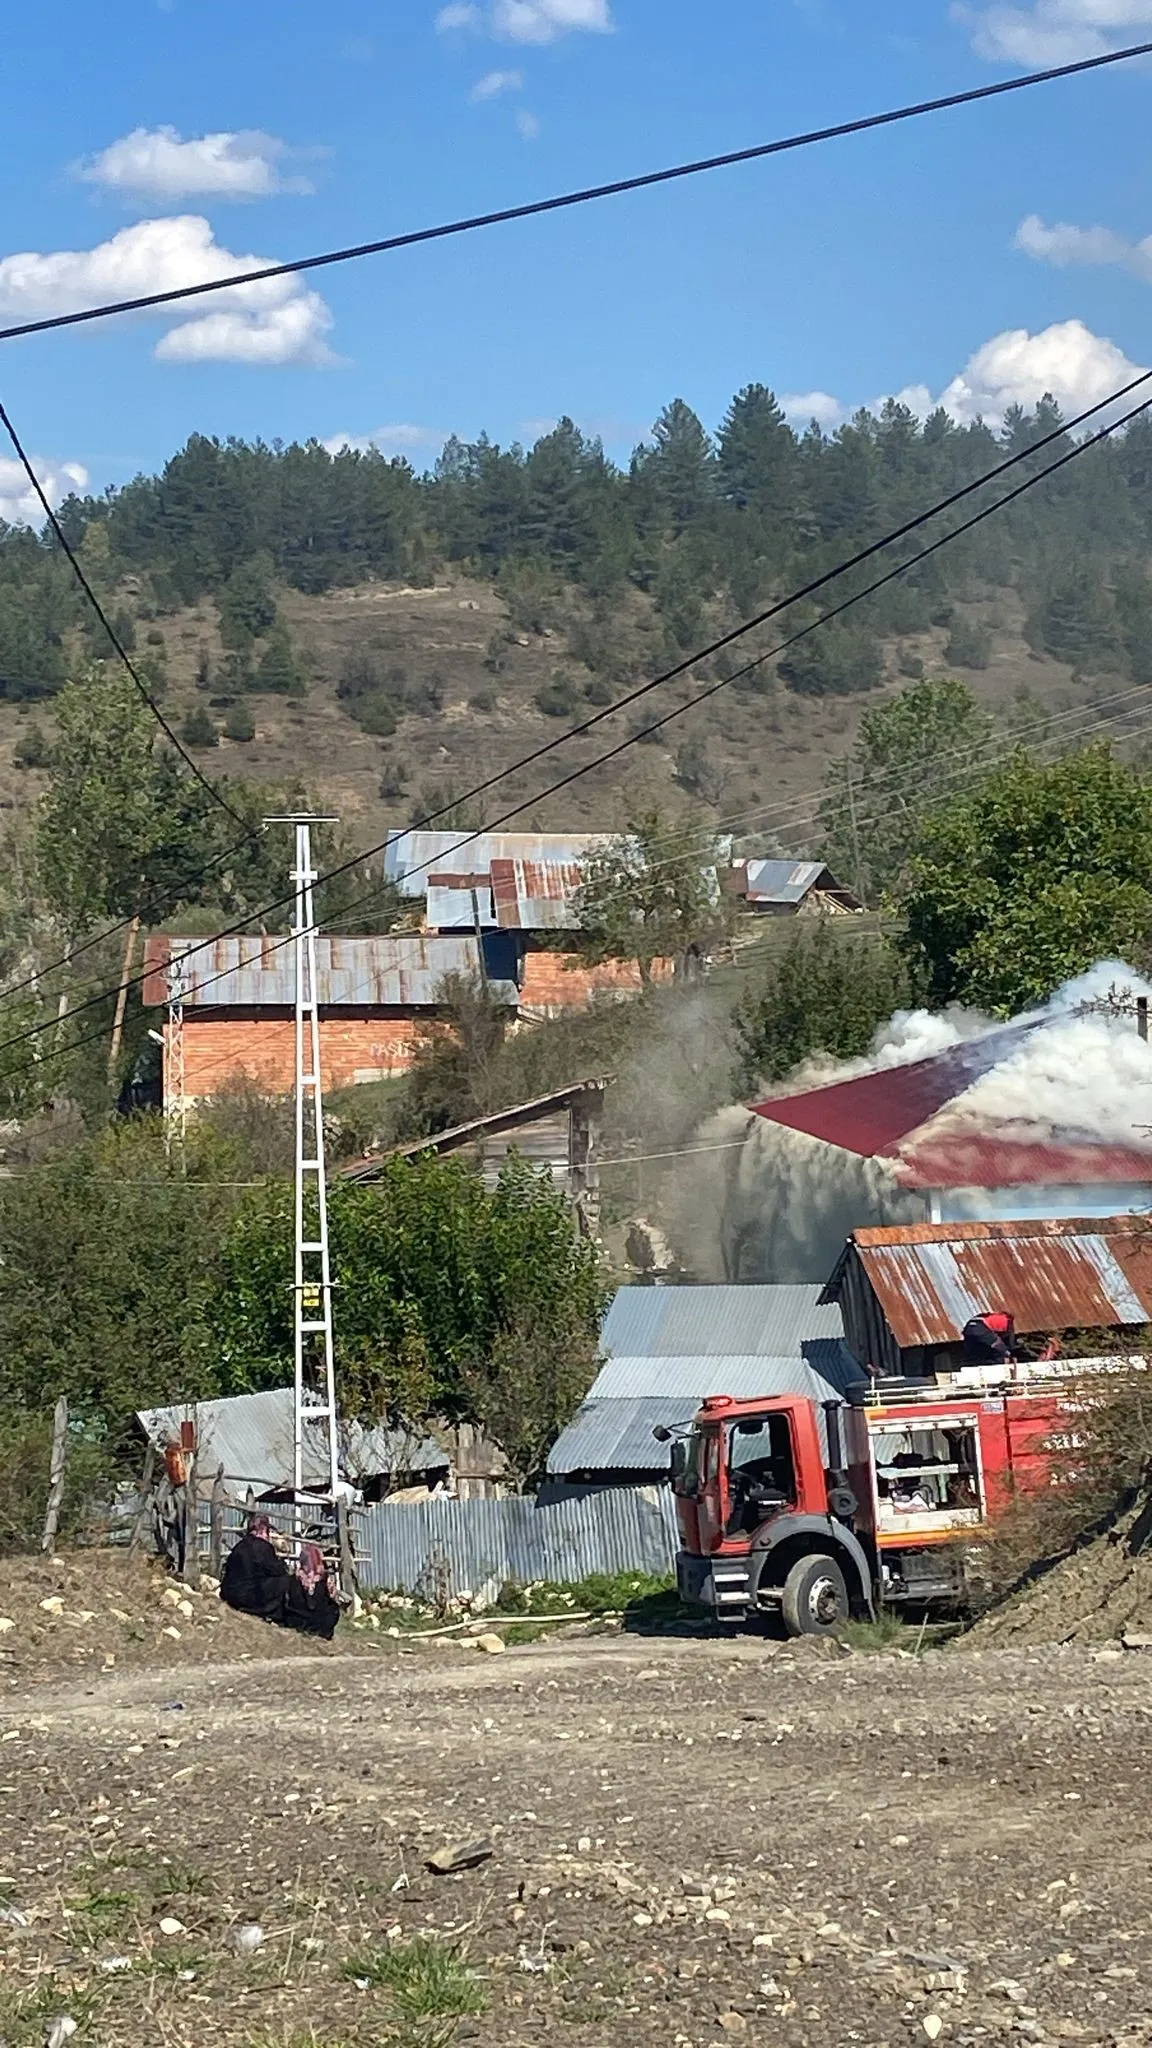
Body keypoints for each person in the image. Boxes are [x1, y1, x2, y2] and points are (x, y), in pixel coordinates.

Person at [219, 1513, 290, 1623]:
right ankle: (272, 1614)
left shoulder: (238, 1547)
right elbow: (277, 1570)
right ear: (263, 1530)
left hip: (231, 1595)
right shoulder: (263, 1547)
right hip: (251, 1597)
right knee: (285, 1580)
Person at [283, 1540, 341, 1641]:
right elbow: (333, 1599)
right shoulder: (324, 1579)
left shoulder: (294, 1578)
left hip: (297, 1620)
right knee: (333, 1610)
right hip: (319, 1622)